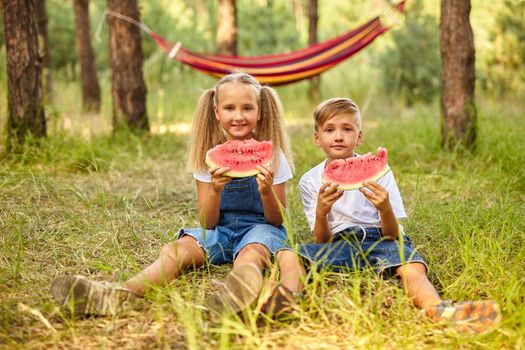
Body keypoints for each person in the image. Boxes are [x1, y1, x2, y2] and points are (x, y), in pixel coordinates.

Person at [52, 72, 306, 317]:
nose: (238, 116)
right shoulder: (207, 157)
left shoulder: (273, 156)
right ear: (216, 113)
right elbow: (208, 223)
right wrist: (216, 190)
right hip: (222, 230)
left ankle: (238, 294)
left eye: (247, 108)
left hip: (261, 229)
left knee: (250, 254)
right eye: (229, 108)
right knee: (176, 252)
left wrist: (266, 191)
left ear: (260, 112)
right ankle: (119, 294)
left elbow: (277, 220)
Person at [297, 97, 502, 333]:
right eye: (330, 130)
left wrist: (385, 208)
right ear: (317, 138)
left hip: (383, 239)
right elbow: (321, 240)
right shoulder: (310, 181)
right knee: (296, 256)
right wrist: (321, 212)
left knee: (411, 266)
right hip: (342, 243)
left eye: (347, 129)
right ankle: (282, 297)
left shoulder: (380, 172)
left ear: (359, 136)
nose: (339, 136)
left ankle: (439, 310)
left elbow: (392, 234)